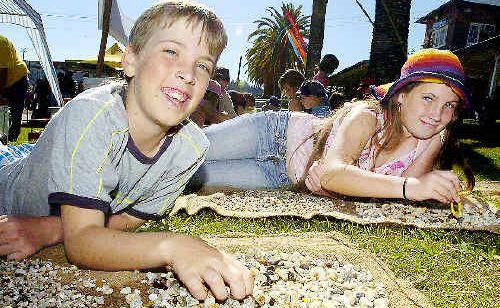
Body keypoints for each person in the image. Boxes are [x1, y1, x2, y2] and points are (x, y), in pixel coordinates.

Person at [0, 1, 253, 302]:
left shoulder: (191, 149)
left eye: (203, 65)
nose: (188, 73)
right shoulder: (93, 116)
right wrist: (173, 247)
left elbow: (124, 221)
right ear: (130, 59)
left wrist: (53, 229)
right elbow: (81, 245)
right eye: (171, 52)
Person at [190, 49, 474, 206]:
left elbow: (399, 199)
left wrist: (336, 190)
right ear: (400, 96)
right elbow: (333, 172)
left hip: (280, 176)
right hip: (273, 134)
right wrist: (412, 187)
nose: (438, 114)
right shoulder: (367, 117)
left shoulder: (433, 136)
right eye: (428, 98)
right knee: (187, 149)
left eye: (449, 105)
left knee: (184, 176)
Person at [0, 35, 29, 142]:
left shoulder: (1, 42)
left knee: (14, 113)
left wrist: (0, 95)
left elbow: (2, 73)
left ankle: (9, 140)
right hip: (5, 78)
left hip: (17, 79)